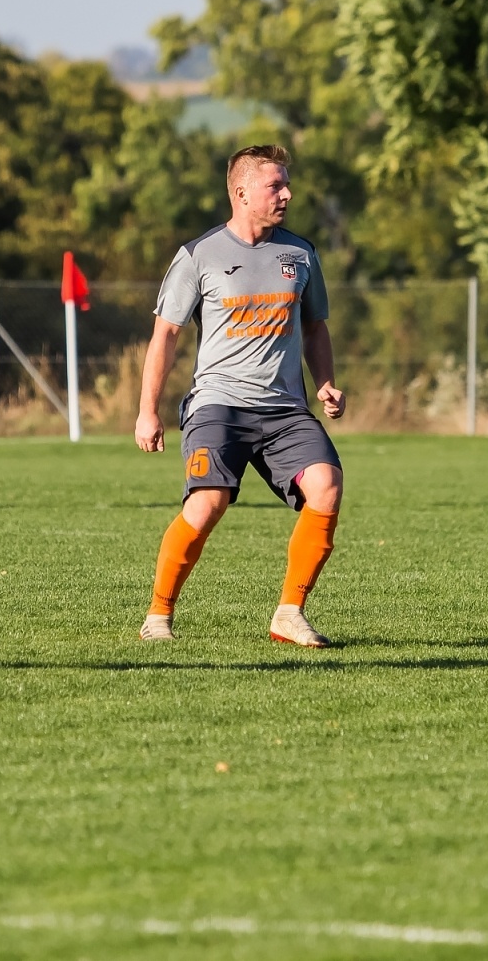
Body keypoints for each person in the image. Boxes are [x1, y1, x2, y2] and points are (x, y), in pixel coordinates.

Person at [134, 144, 345, 647]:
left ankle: (289, 614)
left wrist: (325, 383)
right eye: (276, 186)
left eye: (286, 184)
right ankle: (158, 616)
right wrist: (148, 412)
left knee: (327, 487)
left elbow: (315, 327)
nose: (287, 194)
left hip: (285, 411)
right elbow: (165, 335)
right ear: (241, 191)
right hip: (217, 406)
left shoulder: (301, 254)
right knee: (207, 504)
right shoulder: (199, 256)